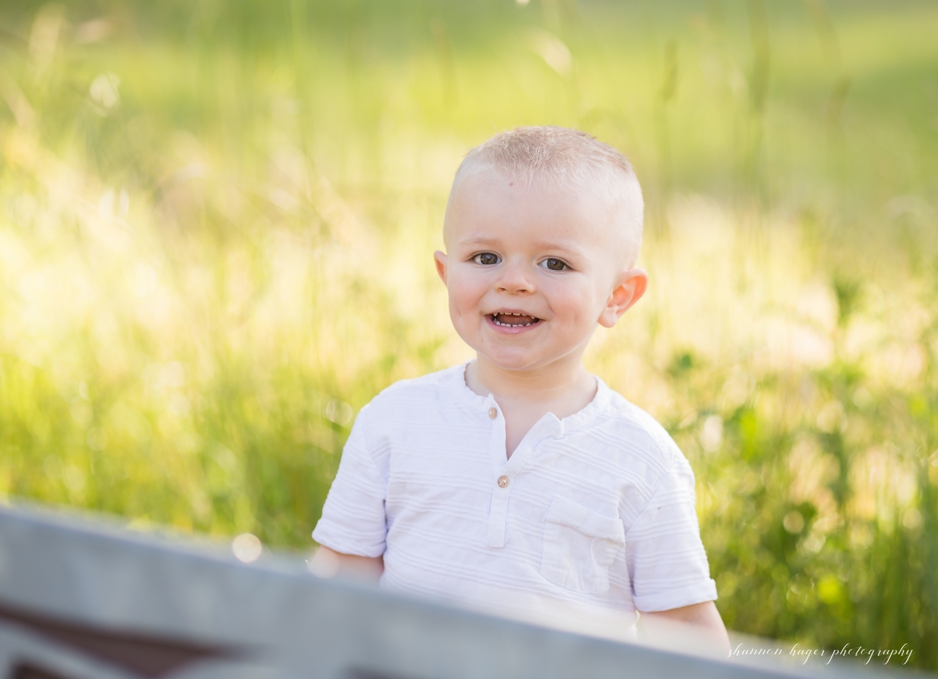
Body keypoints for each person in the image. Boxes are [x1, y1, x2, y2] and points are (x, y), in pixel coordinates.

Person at [311, 127, 729, 649]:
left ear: (617, 296)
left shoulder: (641, 460)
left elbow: (687, 630)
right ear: (446, 273)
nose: (514, 281)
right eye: (485, 257)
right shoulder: (394, 422)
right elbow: (342, 584)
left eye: (554, 263)